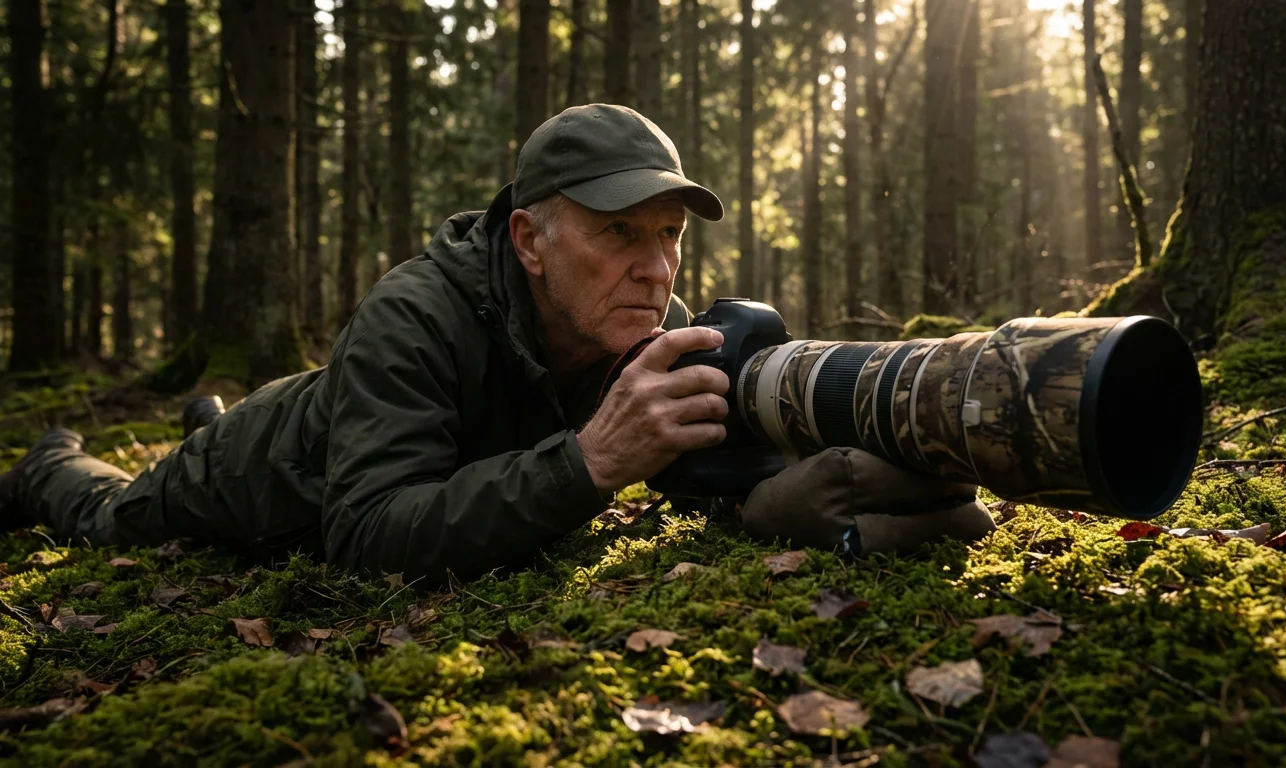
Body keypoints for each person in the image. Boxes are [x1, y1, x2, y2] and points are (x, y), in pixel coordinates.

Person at [0, 105, 992, 587]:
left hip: (344, 416)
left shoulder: (635, 318)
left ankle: (205, 413)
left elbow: (709, 478)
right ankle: (52, 459)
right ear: (528, 238)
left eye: (668, 235)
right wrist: (591, 463)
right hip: (256, 479)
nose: (654, 269)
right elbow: (365, 536)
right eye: (618, 233)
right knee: (112, 516)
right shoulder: (413, 313)